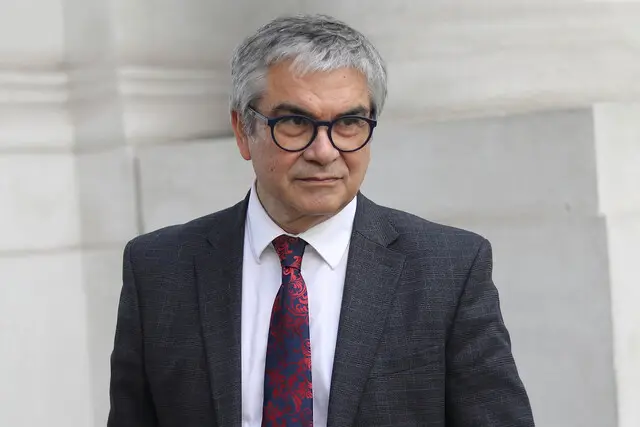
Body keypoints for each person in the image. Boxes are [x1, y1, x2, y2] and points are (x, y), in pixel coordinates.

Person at [107, 14, 535, 427]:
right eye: (295, 122)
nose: (324, 151)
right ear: (242, 130)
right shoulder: (159, 271)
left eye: (349, 123)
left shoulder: (449, 270)